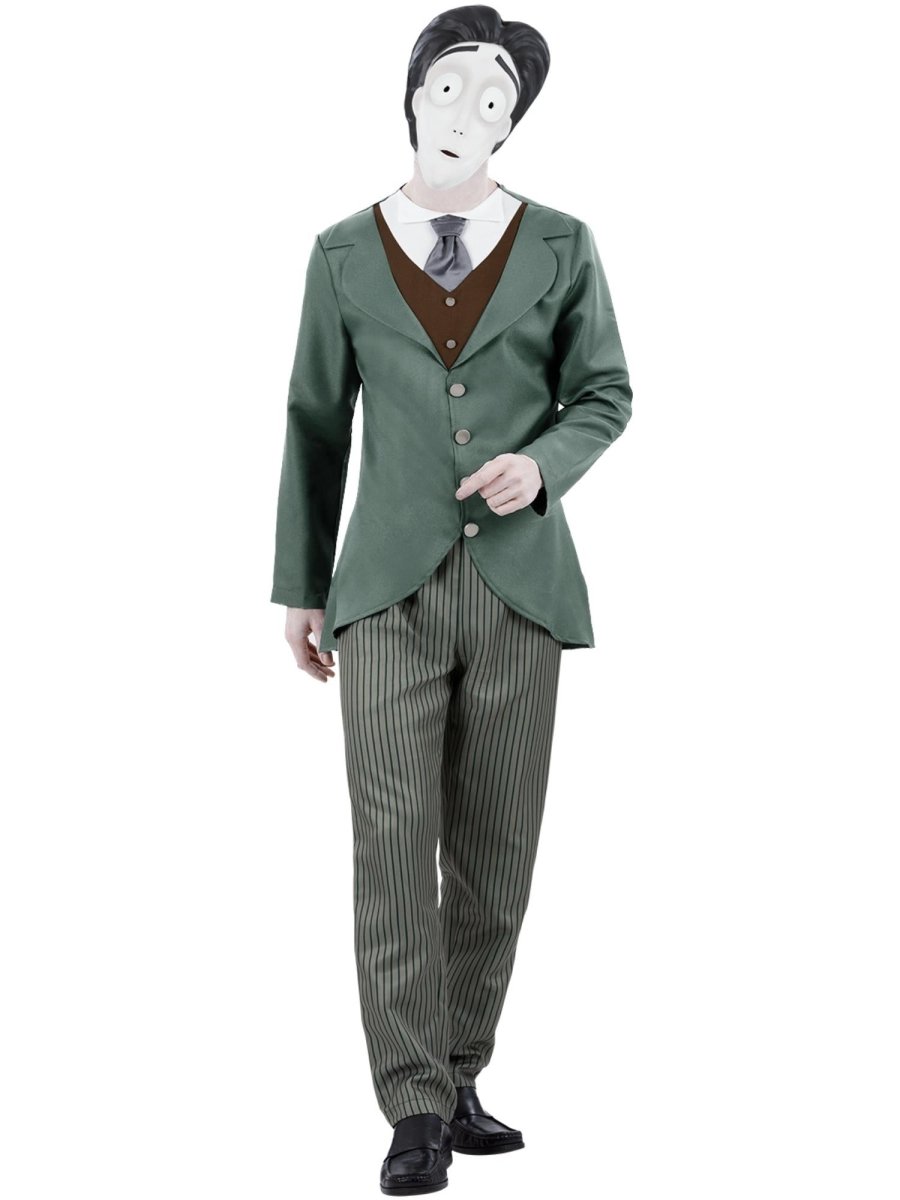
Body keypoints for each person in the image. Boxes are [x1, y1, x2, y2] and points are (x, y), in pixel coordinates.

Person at [270, 6, 633, 1193]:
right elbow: (316, 423)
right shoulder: (341, 250)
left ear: (510, 124)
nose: (468, 111)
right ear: (413, 95)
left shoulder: (563, 242)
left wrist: (545, 465)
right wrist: (300, 586)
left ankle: (462, 1069)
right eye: (450, 85)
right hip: (384, 590)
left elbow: (605, 391)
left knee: (495, 849)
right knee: (390, 846)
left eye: (495, 99)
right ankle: (413, 1103)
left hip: (522, 589)